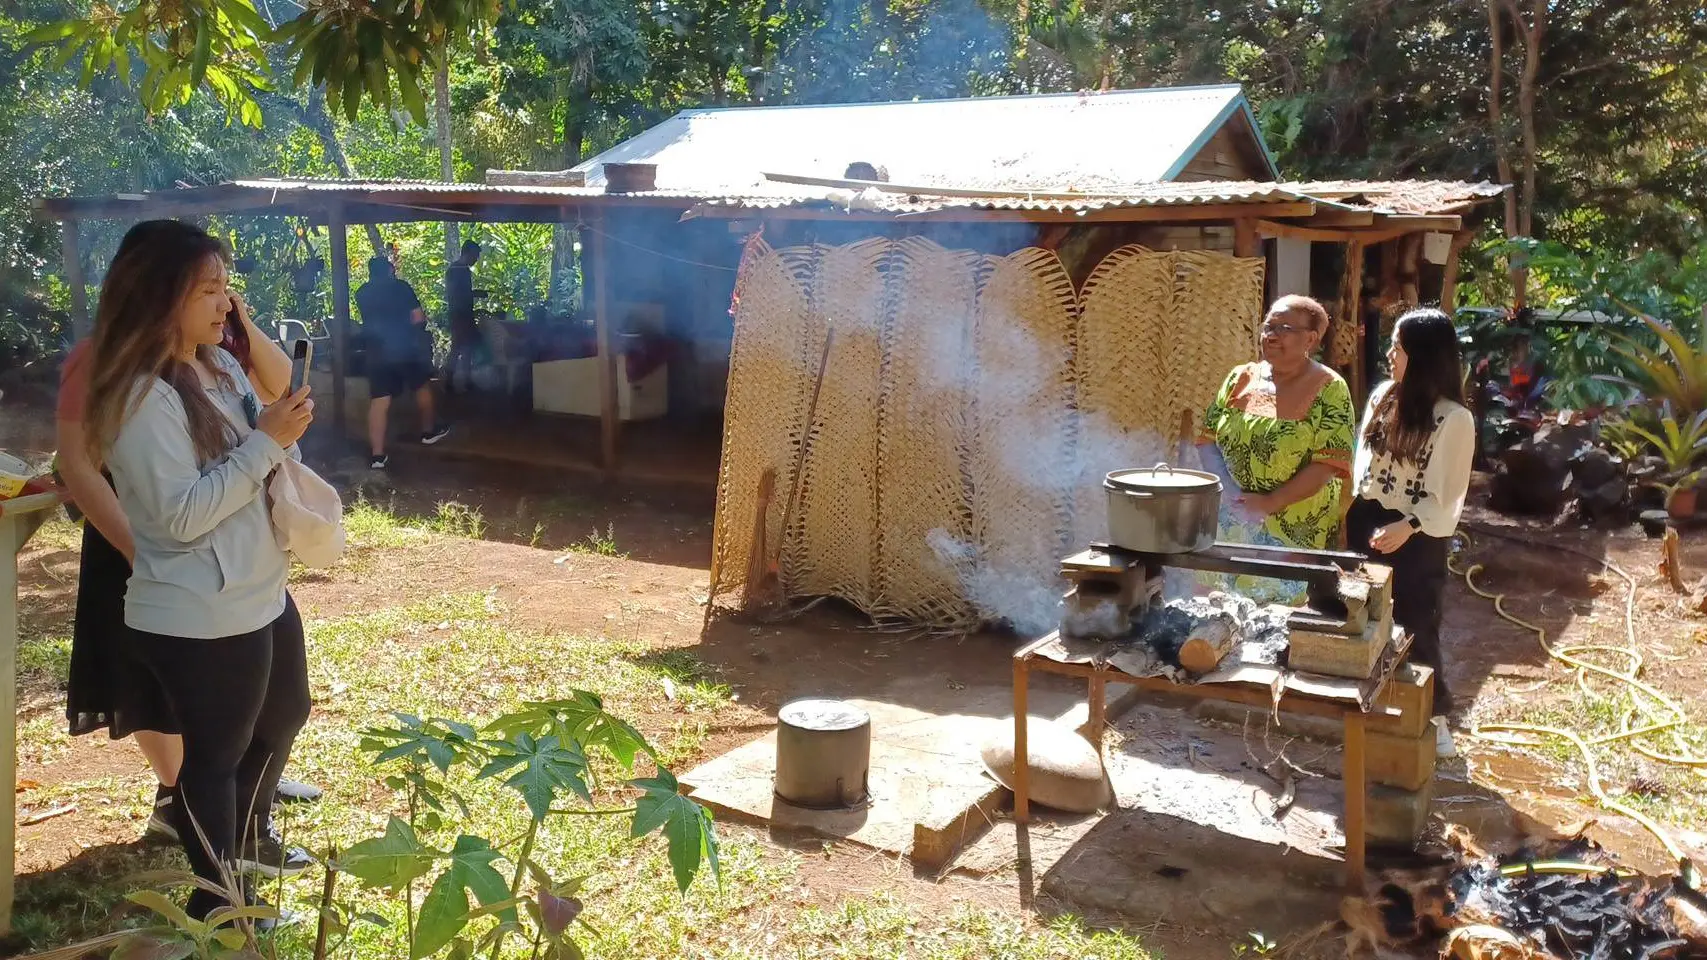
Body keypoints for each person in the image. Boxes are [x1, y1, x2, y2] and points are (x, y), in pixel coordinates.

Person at [55, 221, 323, 848]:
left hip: (238, 572)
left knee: (275, 711)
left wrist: (238, 320)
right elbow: (87, 470)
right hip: (160, 555)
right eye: (209, 290)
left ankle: (239, 830)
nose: (225, 303)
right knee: (192, 725)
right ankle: (212, 862)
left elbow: (283, 392)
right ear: (159, 293)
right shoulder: (130, 383)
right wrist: (138, 550)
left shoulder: (219, 364)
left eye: (227, 288)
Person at [1346, 307, 1475, 758]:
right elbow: (1363, 464)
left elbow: (1449, 493)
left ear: (1421, 356)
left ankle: (1434, 719)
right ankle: (1368, 707)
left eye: (1397, 348)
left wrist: (1410, 525)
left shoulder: (1454, 419)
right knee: (1363, 616)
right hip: (1368, 522)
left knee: (1418, 621)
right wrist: (1355, 511)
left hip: (1417, 533)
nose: (1390, 355)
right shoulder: (1384, 395)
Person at [1197, 295, 1356, 601]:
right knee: (1216, 610)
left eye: (1284, 328)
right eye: (1268, 326)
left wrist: (1270, 502)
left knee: (1278, 622)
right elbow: (1207, 441)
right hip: (1232, 519)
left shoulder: (1330, 388)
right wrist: (1232, 496)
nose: (1271, 335)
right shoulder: (1239, 378)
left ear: (1311, 338)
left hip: (1292, 530)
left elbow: (1329, 464)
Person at [356, 255, 448, 469]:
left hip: (376, 353)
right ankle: (428, 431)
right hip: (404, 348)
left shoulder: (362, 292)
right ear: (389, 270)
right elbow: (417, 318)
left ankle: (377, 456)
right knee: (421, 387)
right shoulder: (401, 287)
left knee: (380, 401)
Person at [444, 240, 484, 394]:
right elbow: (456, 294)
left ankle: (464, 380)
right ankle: (450, 381)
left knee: (467, 348)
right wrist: (475, 293)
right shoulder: (456, 270)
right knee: (459, 347)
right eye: (475, 255)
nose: (476, 259)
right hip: (459, 314)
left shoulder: (461, 269)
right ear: (467, 253)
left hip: (464, 313)